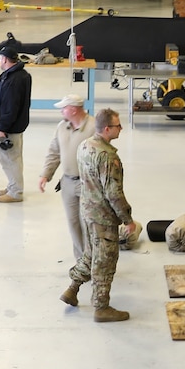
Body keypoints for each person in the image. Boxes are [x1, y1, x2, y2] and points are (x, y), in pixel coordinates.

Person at [61, 108, 133, 322]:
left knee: (91, 254)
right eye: (118, 126)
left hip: (89, 212)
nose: (121, 129)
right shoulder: (108, 156)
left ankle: (72, 289)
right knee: (105, 261)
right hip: (103, 217)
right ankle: (101, 308)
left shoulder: (85, 145)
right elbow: (113, 193)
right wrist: (127, 219)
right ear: (107, 129)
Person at [38, 93, 96, 263]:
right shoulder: (62, 127)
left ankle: (93, 259)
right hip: (68, 183)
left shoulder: (93, 128)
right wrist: (45, 175)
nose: (61, 111)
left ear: (73, 109)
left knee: (89, 224)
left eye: (64, 108)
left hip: (89, 184)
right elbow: (54, 152)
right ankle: (82, 261)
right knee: (74, 224)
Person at [0, 45, 32, 203]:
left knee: (11, 159)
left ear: (4, 59)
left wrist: (2, 128)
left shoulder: (14, 79)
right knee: (11, 159)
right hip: (7, 126)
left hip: (8, 128)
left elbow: (10, 107)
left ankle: (16, 192)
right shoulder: (14, 75)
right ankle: (13, 185)